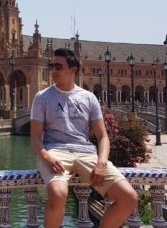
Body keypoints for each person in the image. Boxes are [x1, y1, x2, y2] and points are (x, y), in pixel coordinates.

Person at [30, 48, 137, 228]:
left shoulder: (89, 97)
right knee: (58, 194)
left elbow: (102, 136)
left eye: (58, 66)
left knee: (129, 198)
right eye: (51, 66)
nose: (53, 70)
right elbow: (34, 138)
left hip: (87, 153)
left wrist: (102, 162)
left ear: (73, 70)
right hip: (56, 152)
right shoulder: (42, 97)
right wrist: (46, 156)